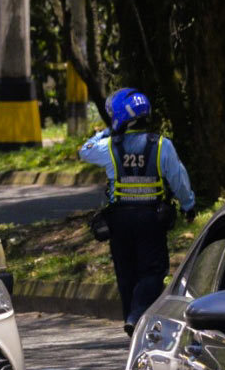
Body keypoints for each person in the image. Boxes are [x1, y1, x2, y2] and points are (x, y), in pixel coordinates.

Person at [79, 88, 196, 336]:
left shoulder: (110, 146)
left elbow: (85, 150)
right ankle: (137, 315)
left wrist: (107, 132)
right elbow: (179, 179)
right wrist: (188, 205)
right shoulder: (161, 145)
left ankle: (131, 320)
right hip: (151, 219)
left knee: (126, 273)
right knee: (153, 271)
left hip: (119, 220)